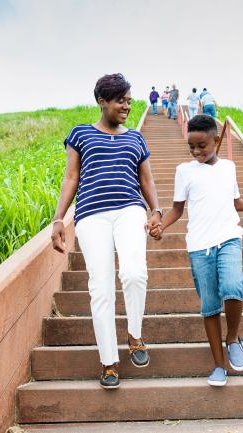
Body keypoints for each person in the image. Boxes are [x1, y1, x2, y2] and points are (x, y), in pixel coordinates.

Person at [149, 115, 243, 386]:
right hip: (199, 246)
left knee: (233, 286)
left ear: (216, 140)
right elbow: (177, 210)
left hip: (228, 237)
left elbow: (236, 203)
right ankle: (219, 365)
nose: (196, 152)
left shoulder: (228, 167)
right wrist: (161, 226)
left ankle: (233, 338)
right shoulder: (184, 171)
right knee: (210, 306)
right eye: (191, 147)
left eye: (201, 145)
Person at [51, 73, 164, 389]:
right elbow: (71, 178)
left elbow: (147, 180)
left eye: (129, 101)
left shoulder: (136, 138)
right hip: (91, 215)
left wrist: (156, 210)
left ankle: (135, 335)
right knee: (100, 288)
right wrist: (58, 219)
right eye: (120, 101)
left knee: (134, 274)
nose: (126, 106)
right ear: (102, 101)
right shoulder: (81, 134)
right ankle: (109, 362)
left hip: (130, 209)